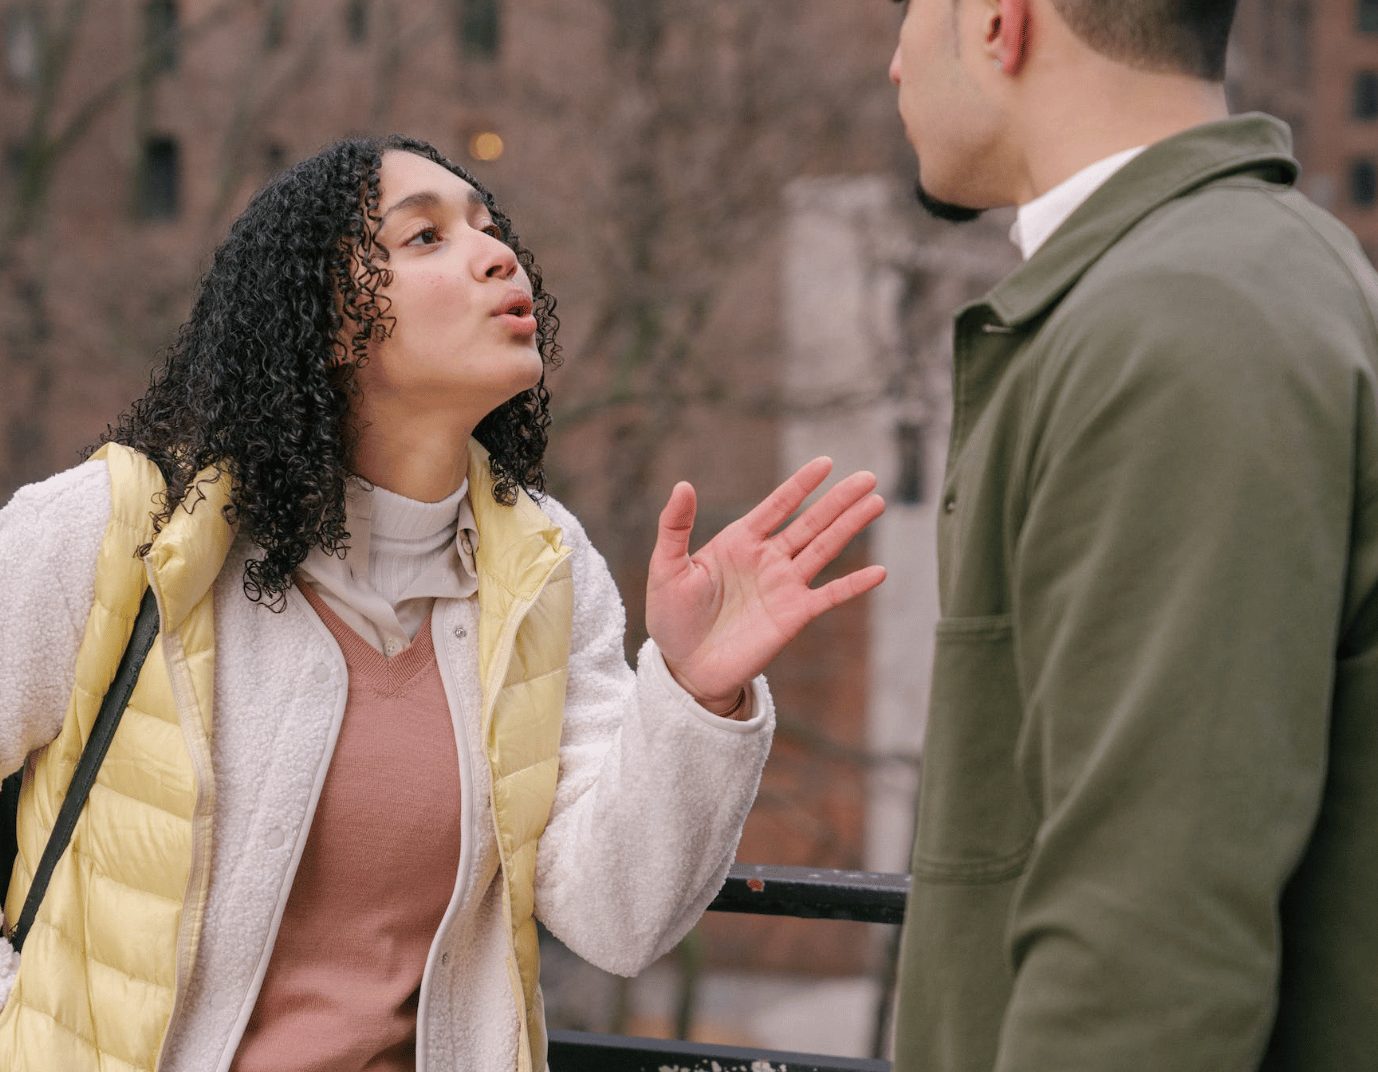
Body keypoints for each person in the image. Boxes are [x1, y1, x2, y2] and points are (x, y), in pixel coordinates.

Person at [0, 135, 886, 1071]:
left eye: (490, 227)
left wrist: (698, 697)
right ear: (332, 323)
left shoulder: (545, 568)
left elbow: (616, 917)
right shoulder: (124, 529)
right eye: (423, 237)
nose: (498, 253)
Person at [887, 1, 1378, 1069]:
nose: (892, 61)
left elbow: (1146, 935)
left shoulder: (1186, 320)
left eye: (909, 12)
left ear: (997, 24)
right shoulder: (1204, 287)